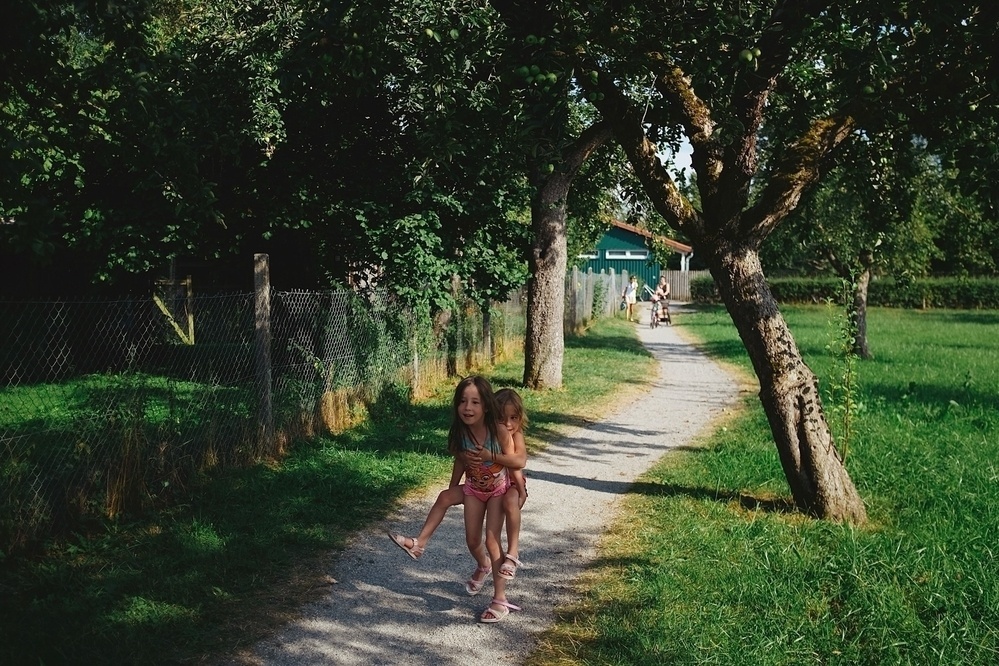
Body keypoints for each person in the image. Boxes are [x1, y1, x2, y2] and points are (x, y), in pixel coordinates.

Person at [388, 376, 525, 623]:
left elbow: (516, 461)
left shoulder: (500, 432)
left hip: (497, 491)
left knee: (491, 541)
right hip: (473, 489)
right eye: (463, 401)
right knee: (471, 538)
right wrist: (454, 489)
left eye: (475, 402)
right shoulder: (460, 432)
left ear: (486, 406)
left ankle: (500, 599)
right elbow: (460, 459)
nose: (468, 408)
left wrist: (492, 459)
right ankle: (420, 545)